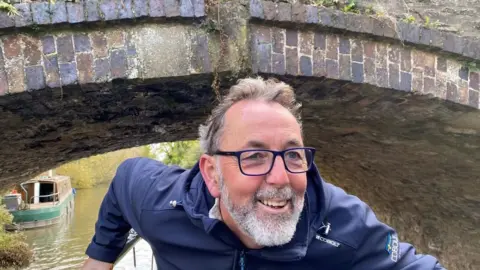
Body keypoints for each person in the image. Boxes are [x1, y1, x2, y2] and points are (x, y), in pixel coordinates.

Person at [82, 77, 445, 269]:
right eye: (254, 157)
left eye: (293, 155)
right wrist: (100, 257)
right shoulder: (161, 203)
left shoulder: (341, 223)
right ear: (211, 174)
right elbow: (124, 179)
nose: (279, 177)